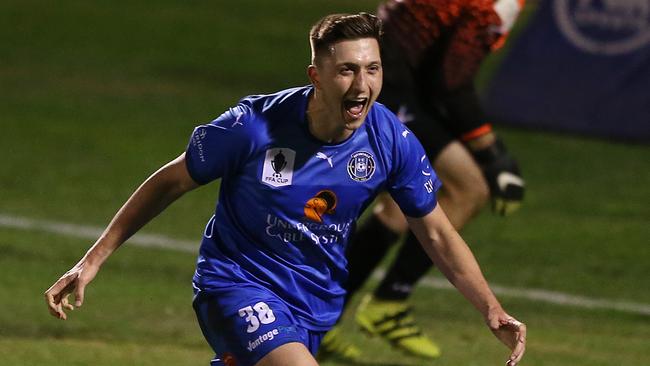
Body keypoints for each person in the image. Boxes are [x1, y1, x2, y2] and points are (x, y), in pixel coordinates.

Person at [44, 12, 526, 366]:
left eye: (373, 69)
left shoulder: (391, 140)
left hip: (314, 307)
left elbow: (436, 233)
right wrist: (92, 260)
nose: (363, 84)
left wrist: (491, 309)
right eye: (347, 70)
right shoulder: (253, 127)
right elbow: (170, 182)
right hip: (234, 285)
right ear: (317, 76)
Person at [319, 0, 526, 361]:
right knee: (469, 187)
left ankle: (323, 319)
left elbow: (438, 71)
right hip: (390, 83)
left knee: (399, 209)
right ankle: (388, 301)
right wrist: (495, 156)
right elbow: (452, 82)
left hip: (392, 78)